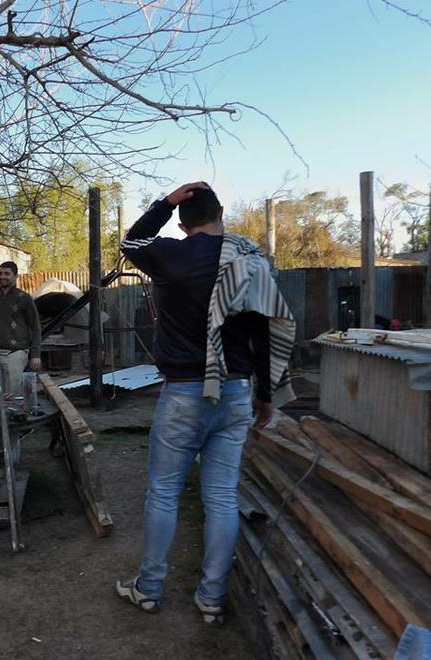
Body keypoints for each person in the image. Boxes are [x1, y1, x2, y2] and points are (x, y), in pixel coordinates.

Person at [115, 182, 295, 623]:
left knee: (164, 493)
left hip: (184, 393)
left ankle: (149, 588)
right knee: (221, 497)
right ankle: (212, 596)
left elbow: (130, 242)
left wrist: (164, 203)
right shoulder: (250, 262)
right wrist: (266, 397)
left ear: (182, 224)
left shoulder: (171, 255)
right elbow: (265, 333)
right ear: (222, 214)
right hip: (235, 392)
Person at [0, 261, 42, 398]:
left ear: (15, 276)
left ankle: (14, 411)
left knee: (13, 394)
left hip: (16, 351)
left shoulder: (24, 298)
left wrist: (35, 355)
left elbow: (35, 327)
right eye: (1, 273)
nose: (2, 276)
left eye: (7, 274)